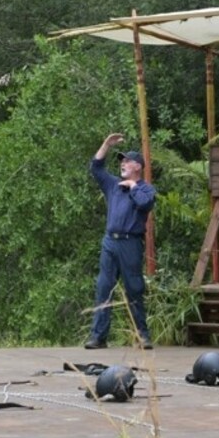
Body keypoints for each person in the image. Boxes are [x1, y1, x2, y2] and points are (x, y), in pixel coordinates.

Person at [84, 133, 156, 350]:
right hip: (110, 242)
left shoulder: (145, 189)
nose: (122, 164)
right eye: (121, 161)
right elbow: (95, 167)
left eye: (127, 161)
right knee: (103, 287)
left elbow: (145, 204)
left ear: (138, 167)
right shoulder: (113, 184)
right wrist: (106, 144)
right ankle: (98, 337)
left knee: (134, 288)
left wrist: (133, 188)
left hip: (130, 244)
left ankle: (141, 336)